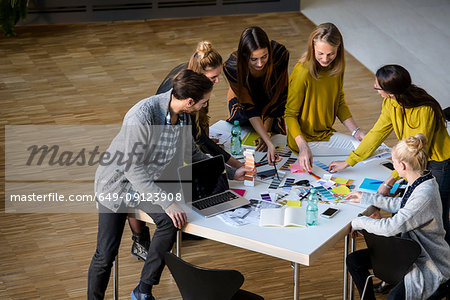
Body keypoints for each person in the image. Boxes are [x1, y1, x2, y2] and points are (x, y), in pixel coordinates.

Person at [87, 70, 249, 300]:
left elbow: (191, 154)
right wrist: (167, 201)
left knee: (170, 221)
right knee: (105, 255)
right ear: (190, 101)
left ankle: (142, 290)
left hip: (145, 184)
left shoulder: (183, 116)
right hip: (117, 185)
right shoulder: (142, 116)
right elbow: (132, 169)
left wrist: (233, 171)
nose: (204, 106)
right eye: (204, 102)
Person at [127, 41, 245, 260]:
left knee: (183, 179)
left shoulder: (198, 89)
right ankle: (140, 239)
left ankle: (182, 226)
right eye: (213, 78)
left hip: (172, 143)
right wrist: (232, 164)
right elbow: (196, 138)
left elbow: (197, 137)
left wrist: (229, 167)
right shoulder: (180, 96)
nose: (218, 81)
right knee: (143, 187)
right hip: (154, 145)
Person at [329, 64, 450, 245]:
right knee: (407, 211)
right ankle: (408, 254)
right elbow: (377, 133)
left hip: (439, 163)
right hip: (413, 161)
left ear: (391, 91)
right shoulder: (390, 103)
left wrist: (391, 180)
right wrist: (349, 161)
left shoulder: (425, 110)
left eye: (377, 86)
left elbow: (416, 152)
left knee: (437, 219)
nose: (374, 88)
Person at [345, 134, 450, 300]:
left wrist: (359, 222)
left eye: (393, 161)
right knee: (354, 261)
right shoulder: (420, 179)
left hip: (429, 262)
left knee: (394, 298)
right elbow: (402, 205)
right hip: (411, 250)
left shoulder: (425, 194)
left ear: (402, 166)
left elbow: (390, 227)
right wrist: (366, 197)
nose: (393, 165)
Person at [285, 22, 364, 172]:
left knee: (371, 147)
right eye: (320, 53)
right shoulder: (303, 72)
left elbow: (339, 101)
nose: (325, 59)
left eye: (331, 54)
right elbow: (290, 114)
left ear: (338, 50)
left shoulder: (337, 67)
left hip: (325, 134)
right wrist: (302, 146)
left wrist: (356, 131)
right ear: (312, 47)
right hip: (305, 140)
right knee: (367, 151)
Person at [223, 26, 289, 164]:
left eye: (264, 57)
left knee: (277, 137)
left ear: (269, 52)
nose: (260, 64)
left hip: (271, 101)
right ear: (244, 56)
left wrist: (266, 135)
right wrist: (265, 138)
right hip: (242, 105)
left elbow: (279, 96)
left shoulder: (280, 54)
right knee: (241, 138)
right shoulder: (232, 67)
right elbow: (249, 108)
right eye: (253, 59)